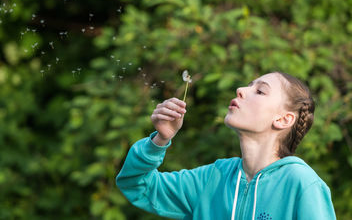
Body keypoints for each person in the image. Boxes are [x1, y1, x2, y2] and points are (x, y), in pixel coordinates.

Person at [115, 72, 336, 219]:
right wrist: (160, 141)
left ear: (283, 119)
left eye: (260, 91)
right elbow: (136, 185)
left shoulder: (302, 184)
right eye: (248, 86)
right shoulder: (212, 178)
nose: (241, 89)